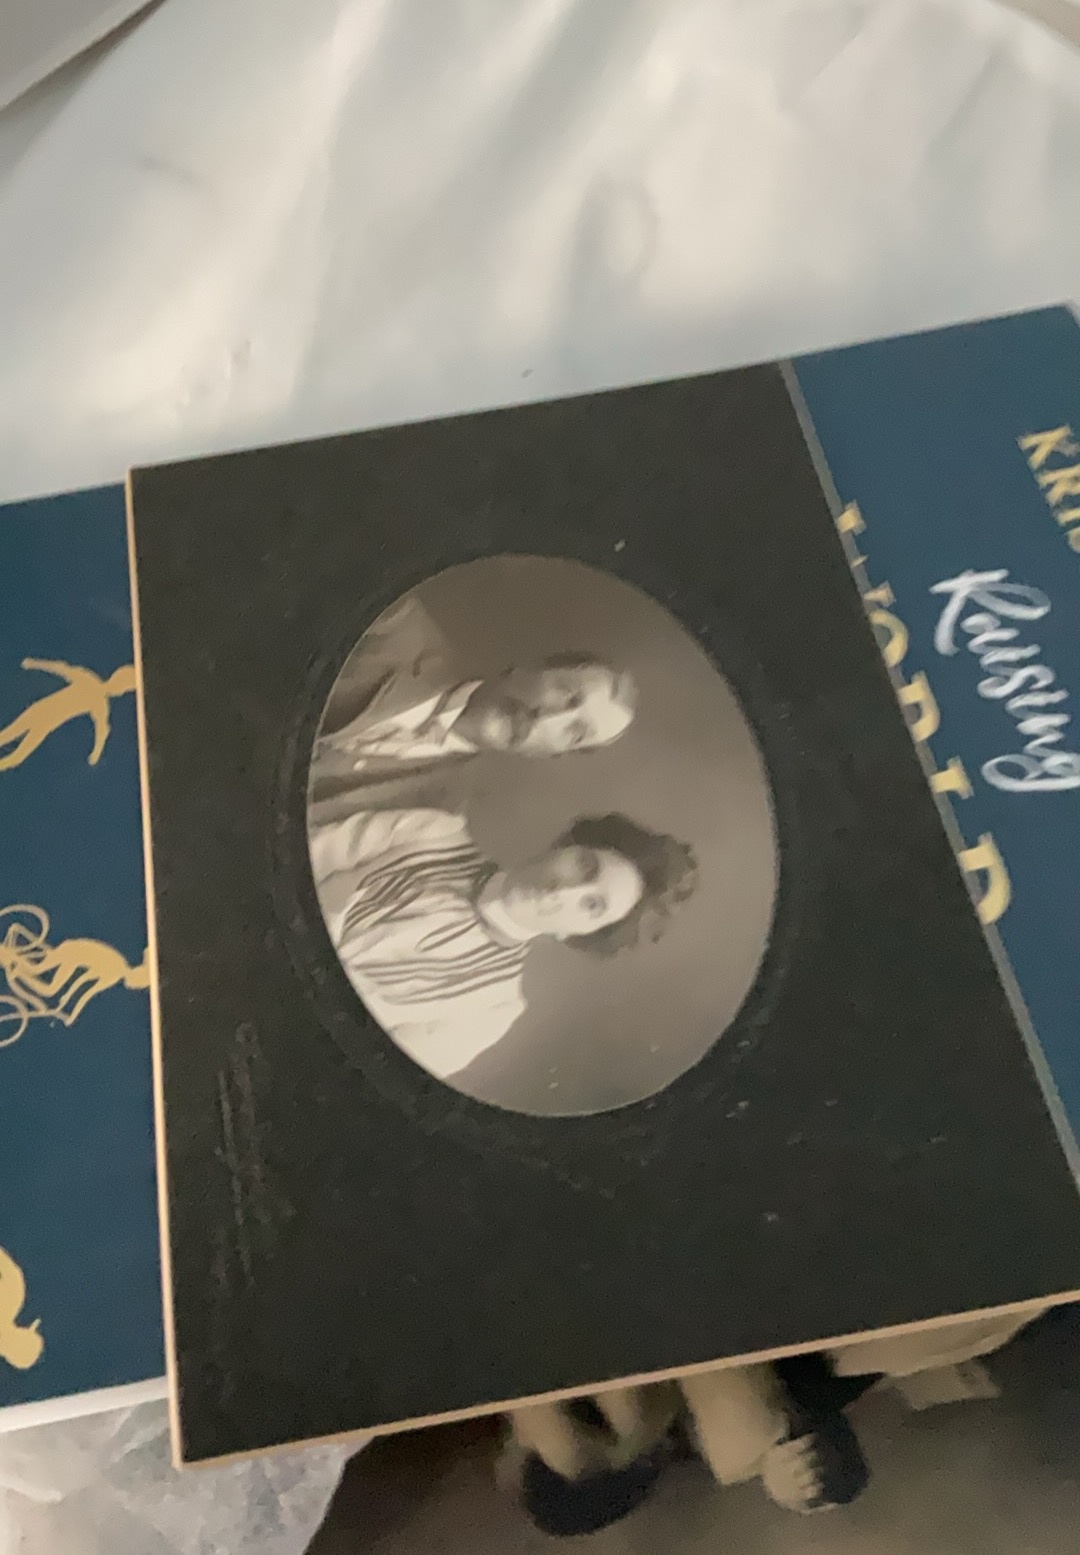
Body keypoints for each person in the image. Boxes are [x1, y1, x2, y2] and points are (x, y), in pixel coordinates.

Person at [308, 806, 696, 1079]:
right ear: (564, 845)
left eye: (591, 905)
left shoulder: (490, 1009)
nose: (564, 890)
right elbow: (303, 855)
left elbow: (367, 1076)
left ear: (577, 935)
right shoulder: (432, 833)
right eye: (584, 865)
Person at [312, 594, 638, 785]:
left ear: (550, 756)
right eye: (567, 693)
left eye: (575, 733)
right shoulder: (392, 624)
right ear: (527, 666)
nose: (546, 717)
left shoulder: (438, 812)